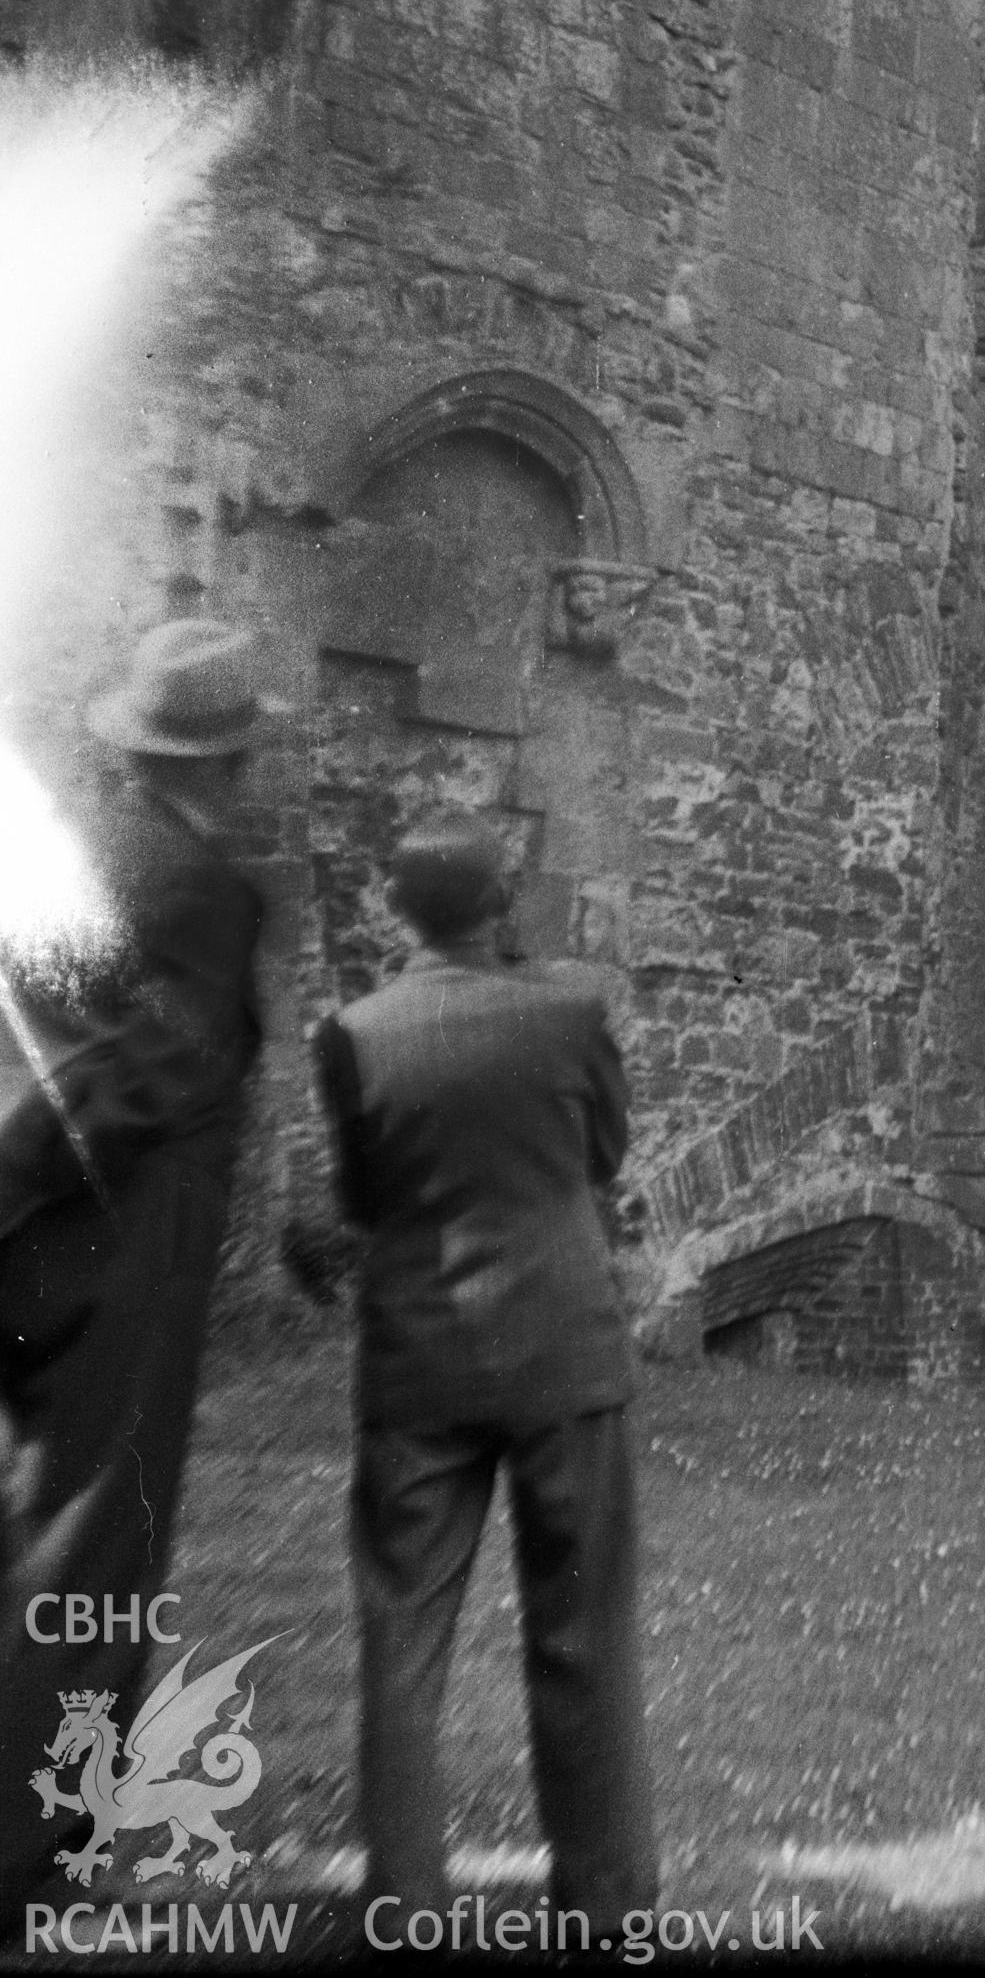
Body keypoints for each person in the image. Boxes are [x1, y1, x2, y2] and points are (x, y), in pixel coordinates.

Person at [310, 816, 655, 1934]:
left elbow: (362, 1200)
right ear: (500, 901)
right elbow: (603, 1154)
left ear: (399, 909)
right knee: (585, 1629)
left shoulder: (354, 1031)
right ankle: (604, 1902)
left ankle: (406, 1902)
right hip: (563, 1345)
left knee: (402, 1638)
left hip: (420, 1358)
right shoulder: (569, 1014)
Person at [0, 620, 273, 1913]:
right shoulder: (204, 886)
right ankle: (27, 1845)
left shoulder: (65, 852)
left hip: (34, 1227)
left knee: (30, 1513)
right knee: (100, 1532)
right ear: (222, 761)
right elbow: (149, 1073)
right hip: (124, 1230)